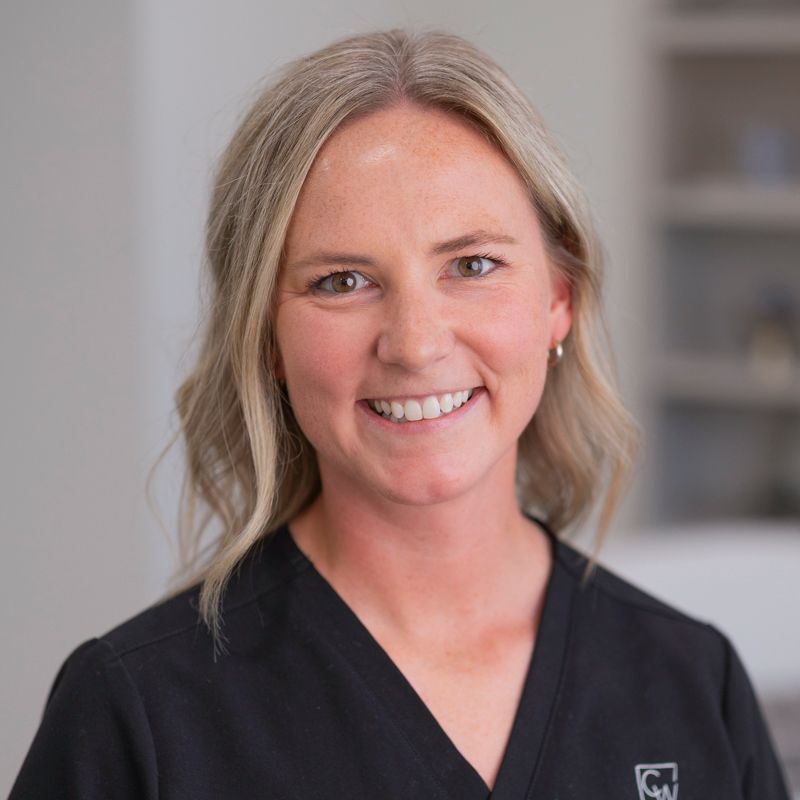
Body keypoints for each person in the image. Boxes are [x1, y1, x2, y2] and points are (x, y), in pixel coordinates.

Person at [11, 29, 790, 800]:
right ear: (267, 340)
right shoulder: (136, 712)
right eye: (342, 281)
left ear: (559, 300)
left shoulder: (695, 685)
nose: (415, 345)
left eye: (473, 265)